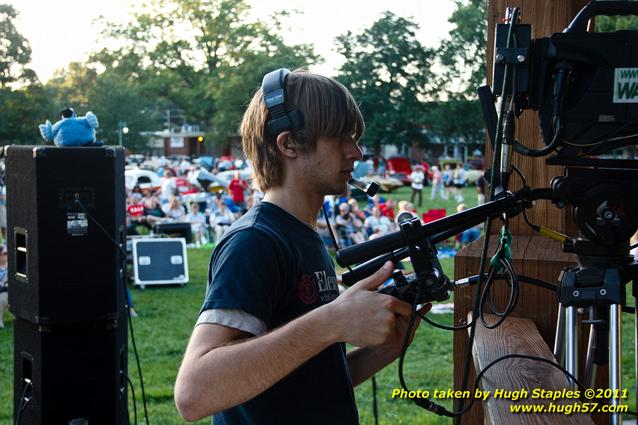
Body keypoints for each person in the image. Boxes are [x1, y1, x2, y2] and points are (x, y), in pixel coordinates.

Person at [174, 69, 430, 424]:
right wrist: (332, 320)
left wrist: (386, 348)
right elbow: (194, 393)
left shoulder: (305, 236)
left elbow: (307, 383)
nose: (355, 152)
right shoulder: (255, 241)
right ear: (289, 143)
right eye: (340, 138)